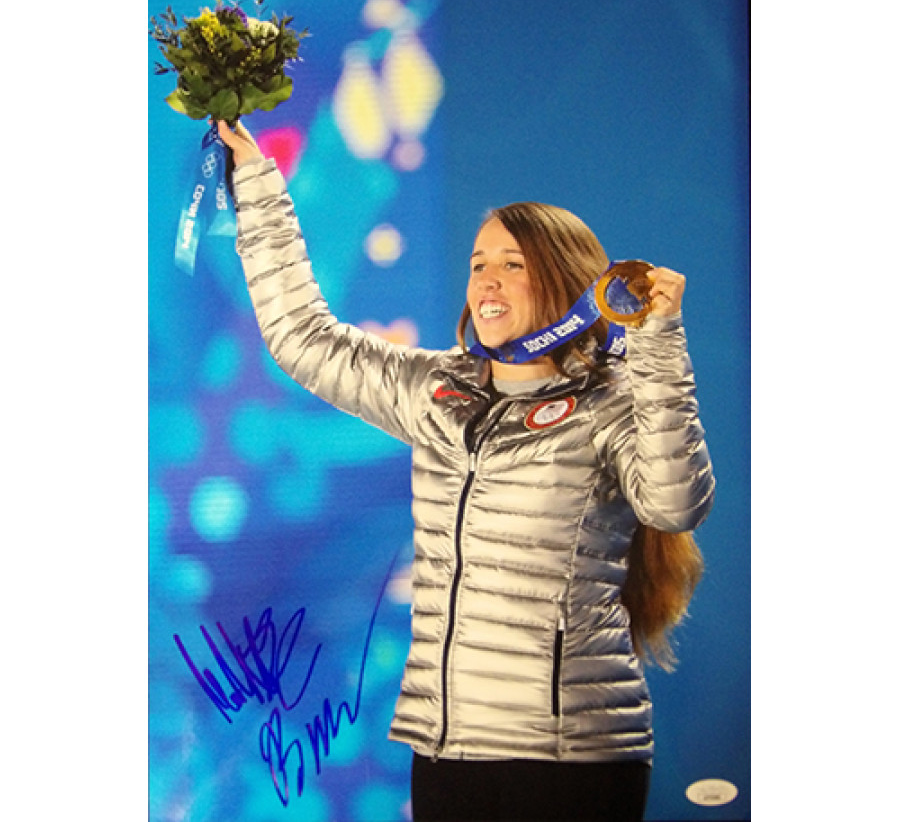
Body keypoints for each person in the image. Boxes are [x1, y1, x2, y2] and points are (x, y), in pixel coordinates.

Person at [218, 120, 715, 822]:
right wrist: (258, 182)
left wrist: (658, 344)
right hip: (445, 752)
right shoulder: (438, 392)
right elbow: (303, 336)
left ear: (565, 281)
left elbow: (674, 504)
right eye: (479, 264)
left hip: (570, 760)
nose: (487, 279)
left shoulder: (609, 402)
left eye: (512, 264)